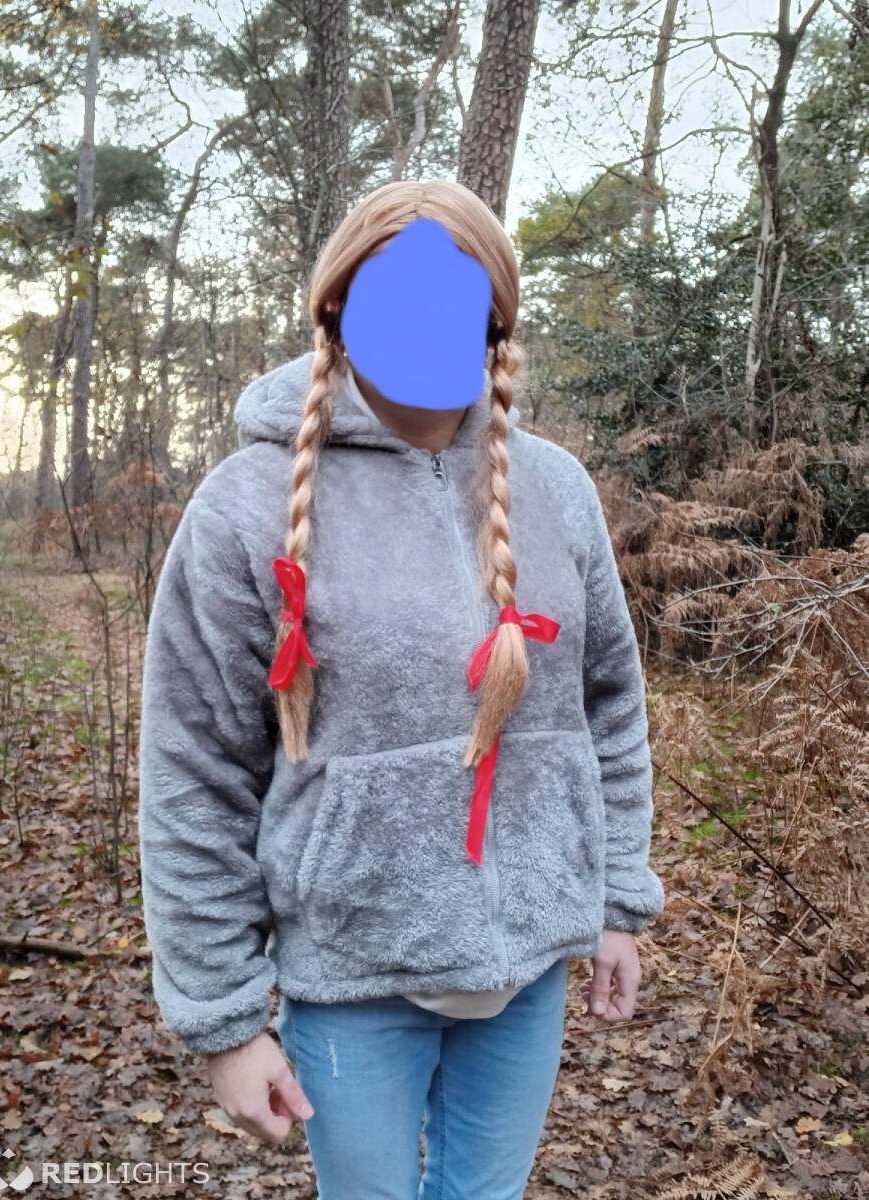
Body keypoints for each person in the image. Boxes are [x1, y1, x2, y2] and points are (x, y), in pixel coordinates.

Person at [137, 179, 665, 1200]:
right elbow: (193, 772)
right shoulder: (244, 507)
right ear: (337, 306)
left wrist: (616, 903)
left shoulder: (557, 491)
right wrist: (225, 1021)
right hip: (353, 981)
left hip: (526, 978)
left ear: (495, 321)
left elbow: (610, 710)